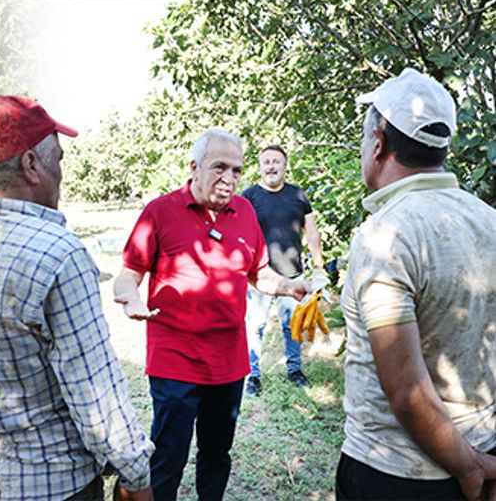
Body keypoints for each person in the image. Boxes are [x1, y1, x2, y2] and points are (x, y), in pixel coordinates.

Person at [0, 95, 155, 501]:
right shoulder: (57, 255)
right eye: (58, 160)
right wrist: (136, 476)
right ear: (31, 166)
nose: (60, 174)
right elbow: (95, 395)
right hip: (52, 482)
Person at [113, 129, 310, 500]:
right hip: (175, 360)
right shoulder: (160, 211)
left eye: (237, 170)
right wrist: (131, 300)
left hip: (228, 362)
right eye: (220, 167)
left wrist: (288, 286)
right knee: (169, 454)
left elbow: (258, 272)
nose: (230, 178)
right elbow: (127, 276)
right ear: (194, 167)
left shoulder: (246, 211)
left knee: (217, 455)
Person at [336, 67, 496, 500]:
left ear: (379, 142)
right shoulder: (489, 221)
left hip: (395, 472)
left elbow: (407, 391)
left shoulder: (385, 235)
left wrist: (468, 467)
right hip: (483, 454)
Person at [241, 145, 324, 395]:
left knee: (292, 326)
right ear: (260, 166)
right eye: (266, 162)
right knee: (255, 325)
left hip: (292, 273)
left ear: (285, 165)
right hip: (259, 276)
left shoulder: (298, 195)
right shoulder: (249, 196)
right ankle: (252, 375)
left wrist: (318, 266)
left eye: (276, 161)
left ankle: (295, 369)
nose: (271, 166)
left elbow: (311, 232)